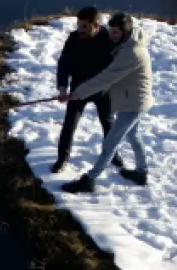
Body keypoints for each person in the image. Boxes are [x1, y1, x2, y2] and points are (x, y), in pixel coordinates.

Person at [61, 12, 153, 194]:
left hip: (134, 103)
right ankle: (142, 172)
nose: (111, 36)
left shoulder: (132, 52)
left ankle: (90, 180)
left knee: (110, 143)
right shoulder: (129, 43)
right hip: (134, 99)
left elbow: (106, 78)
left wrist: (79, 93)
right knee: (134, 136)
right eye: (110, 31)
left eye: (116, 33)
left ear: (126, 32)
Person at [52, 6, 120, 175]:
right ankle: (62, 158)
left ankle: (113, 154)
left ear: (96, 26)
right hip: (78, 90)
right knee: (69, 125)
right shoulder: (73, 39)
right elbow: (64, 64)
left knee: (108, 124)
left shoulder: (108, 39)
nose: (80, 30)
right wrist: (62, 88)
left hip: (102, 91)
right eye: (79, 25)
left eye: (85, 26)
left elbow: (115, 68)